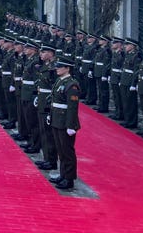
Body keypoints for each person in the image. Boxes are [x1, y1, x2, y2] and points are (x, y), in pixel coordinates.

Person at [49, 58, 81, 190]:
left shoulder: (72, 85)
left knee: (67, 151)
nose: (57, 68)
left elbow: (72, 107)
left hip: (65, 122)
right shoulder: (60, 81)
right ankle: (63, 175)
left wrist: (70, 125)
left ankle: (69, 178)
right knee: (61, 150)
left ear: (67, 68)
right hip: (57, 119)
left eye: (60, 67)